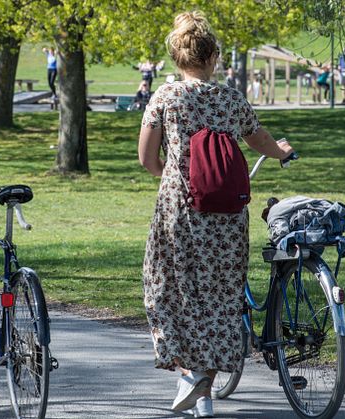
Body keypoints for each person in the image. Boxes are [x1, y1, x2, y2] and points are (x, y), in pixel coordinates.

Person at [137, 11, 293, 418]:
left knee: (169, 290)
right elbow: (260, 140)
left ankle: (191, 377)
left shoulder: (165, 98)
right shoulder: (230, 99)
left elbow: (146, 158)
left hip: (180, 211)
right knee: (221, 297)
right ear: (214, 57)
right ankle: (200, 392)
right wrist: (282, 151)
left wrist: (172, 174)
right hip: (226, 216)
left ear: (177, 57)